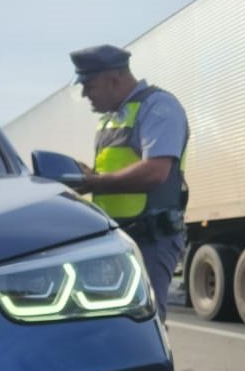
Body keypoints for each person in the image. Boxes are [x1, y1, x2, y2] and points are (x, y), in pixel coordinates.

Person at [69, 44, 189, 320]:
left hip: (150, 238)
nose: (85, 93)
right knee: (114, 323)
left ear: (114, 79)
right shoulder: (111, 119)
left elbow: (156, 171)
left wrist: (95, 183)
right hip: (118, 239)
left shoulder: (158, 107)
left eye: (89, 84)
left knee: (145, 323)